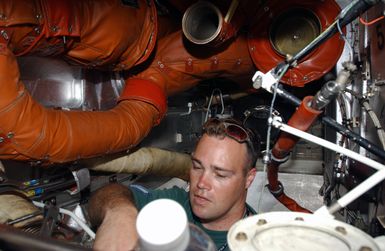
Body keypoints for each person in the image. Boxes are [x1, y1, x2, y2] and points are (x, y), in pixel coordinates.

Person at [87, 117, 260, 251]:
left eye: (220, 174)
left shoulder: (261, 242)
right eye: (197, 167)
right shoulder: (176, 204)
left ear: (249, 179)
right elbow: (107, 194)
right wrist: (119, 213)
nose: (201, 183)